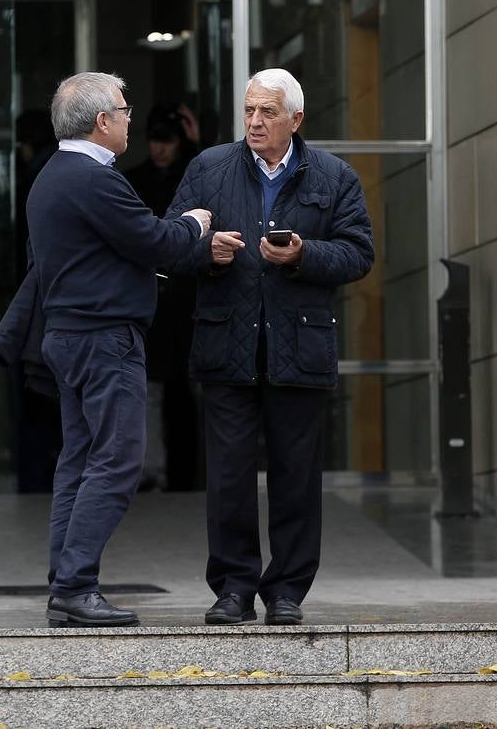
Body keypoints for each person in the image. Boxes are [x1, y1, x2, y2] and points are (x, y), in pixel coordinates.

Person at [165, 68, 374, 626]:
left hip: (299, 347)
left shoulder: (334, 176)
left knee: (296, 476)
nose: (254, 122)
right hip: (227, 345)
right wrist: (206, 250)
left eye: (267, 113)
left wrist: (304, 253)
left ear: (296, 119)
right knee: (229, 476)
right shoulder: (209, 168)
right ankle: (232, 587)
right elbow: (168, 243)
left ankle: (286, 591)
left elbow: (359, 254)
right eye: (249, 111)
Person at [25, 71, 212, 627]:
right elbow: (154, 240)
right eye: (125, 111)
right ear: (103, 121)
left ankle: (66, 584)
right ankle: (77, 585)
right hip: (104, 339)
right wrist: (195, 225)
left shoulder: (52, 176)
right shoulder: (92, 178)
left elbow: (120, 250)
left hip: (71, 338)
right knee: (116, 461)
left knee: (80, 462)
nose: (131, 119)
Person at [126, 104, 203, 491]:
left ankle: (182, 473)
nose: (160, 149)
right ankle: (152, 471)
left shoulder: (189, 174)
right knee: (151, 389)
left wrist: (194, 144)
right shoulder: (133, 180)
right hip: (152, 297)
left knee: (181, 392)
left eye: (167, 142)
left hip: (184, 298)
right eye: (155, 141)